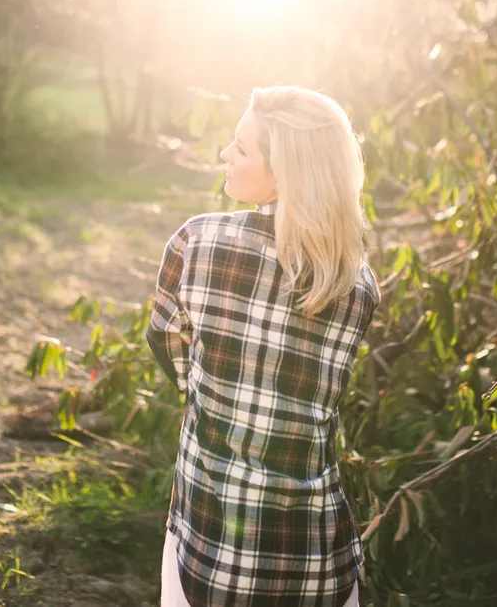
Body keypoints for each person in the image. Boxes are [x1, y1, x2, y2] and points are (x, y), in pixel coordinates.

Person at [147, 86, 380, 607]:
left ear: (286, 174)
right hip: (318, 558)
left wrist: (218, 395)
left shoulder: (198, 242)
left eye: (242, 148)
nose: (225, 155)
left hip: (211, 548)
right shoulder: (357, 282)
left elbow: (167, 346)